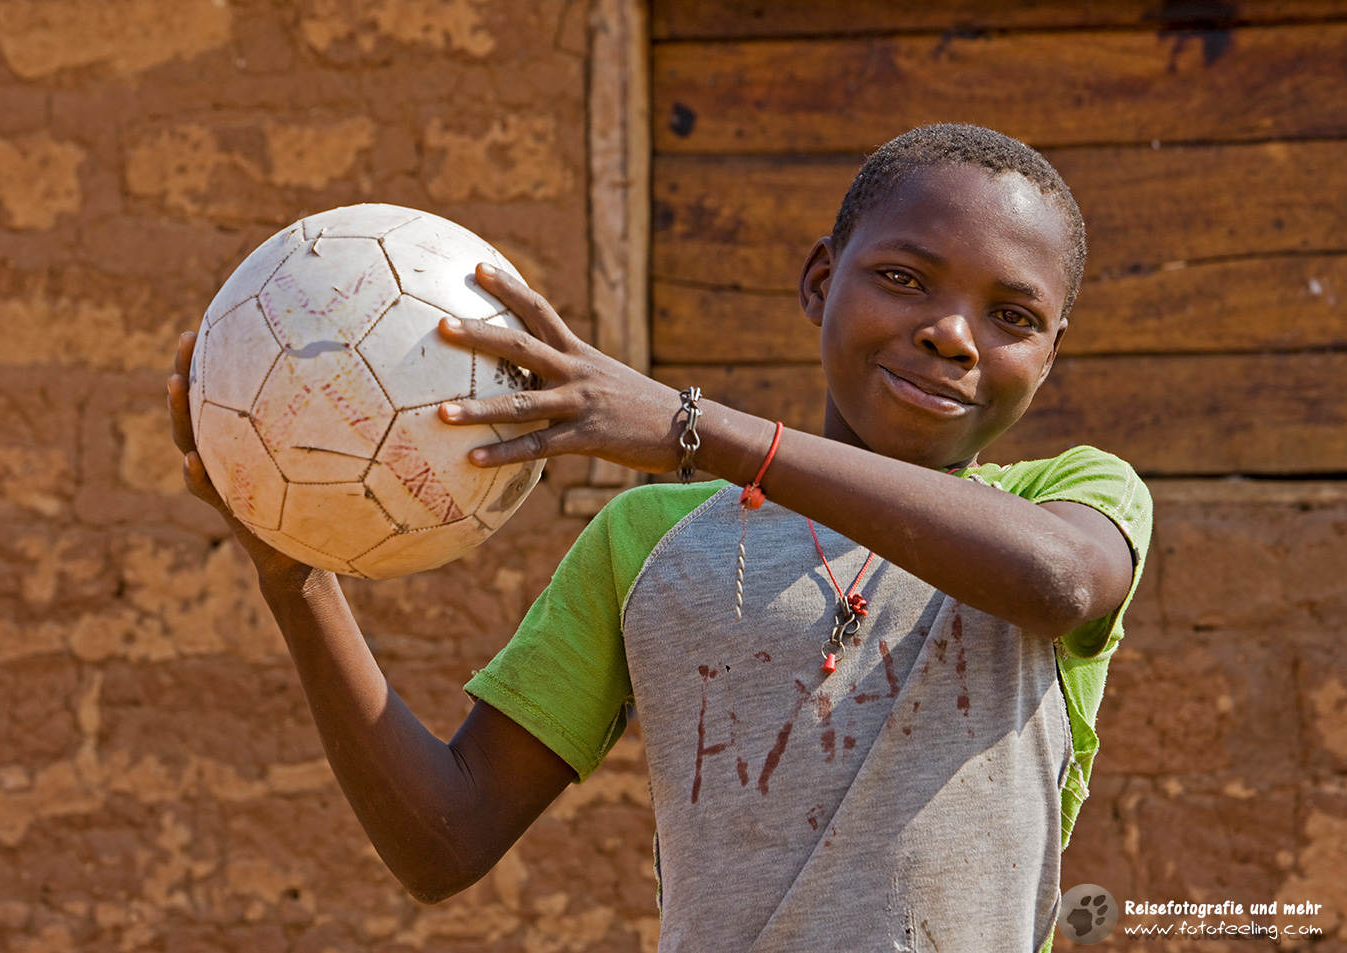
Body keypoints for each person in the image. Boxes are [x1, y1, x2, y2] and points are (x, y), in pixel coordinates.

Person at [168, 123, 1152, 952]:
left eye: (1010, 314)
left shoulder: (1070, 496)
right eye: (902, 277)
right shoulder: (650, 536)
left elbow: (1057, 579)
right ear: (819, 280)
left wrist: (694, 427)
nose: (950, 332)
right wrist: (293, 573)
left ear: (1050, 350)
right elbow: (443, 839)